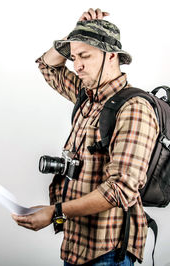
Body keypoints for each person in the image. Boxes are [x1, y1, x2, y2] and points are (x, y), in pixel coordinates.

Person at [12, 8, 159, 265]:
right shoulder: (86, 95)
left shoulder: (134, 108)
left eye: (85, 56)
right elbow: (47, 65)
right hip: (77, 243)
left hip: (108, 251)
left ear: (111, 55)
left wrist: (54, 212)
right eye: (73, 57)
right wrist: (76, 34)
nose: (76, 65)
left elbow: (121, 190)